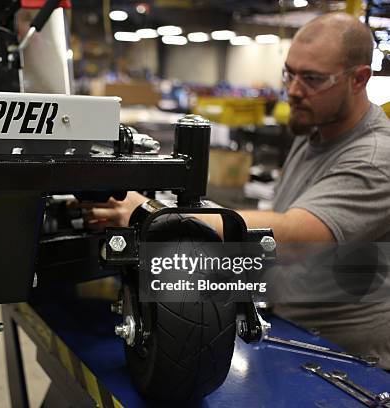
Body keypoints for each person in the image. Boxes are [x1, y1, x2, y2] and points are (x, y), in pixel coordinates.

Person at [79, 12, 390, 367]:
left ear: (359, 79)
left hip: (349, 361)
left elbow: (299, 239)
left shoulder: (375, 157)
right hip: (291, 331)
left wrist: (152, 216)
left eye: (313, 79)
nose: (292, 90)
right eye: (289, 73)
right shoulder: (317, 129)